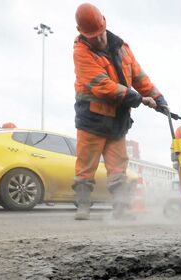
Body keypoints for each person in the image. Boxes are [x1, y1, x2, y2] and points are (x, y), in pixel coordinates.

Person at [72, 3, 167, 220]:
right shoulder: (81, 52)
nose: (98, 39)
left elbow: (139, 77)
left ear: (104, 22)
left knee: (118, 168)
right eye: (92, 36)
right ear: (81, 32)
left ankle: (122, 208)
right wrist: (139, 98)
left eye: (99, 33)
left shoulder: (122, 47)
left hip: (117, 121)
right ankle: (83, 206)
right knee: (85, 167)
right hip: (92, 121)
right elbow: (103, 85)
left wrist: (159, 99)